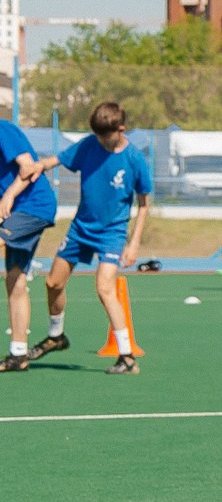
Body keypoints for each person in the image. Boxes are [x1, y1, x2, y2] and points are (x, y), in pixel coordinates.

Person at [28, 101, 150, 375]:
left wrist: (134, 243)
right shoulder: (89, 145)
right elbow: (57, 159)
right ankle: (56, 336)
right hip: (80, 229)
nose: (100, 141)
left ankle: (127, 356)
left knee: (105, 288)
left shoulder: (134, 159)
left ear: (121, 129)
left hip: (112, 233)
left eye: (105, 136)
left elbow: (144, 204)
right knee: (53, 282)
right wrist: (37, 166)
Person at [0, 116, 58, 370]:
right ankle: (18, 354)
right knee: (15, 278)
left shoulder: (3, 130)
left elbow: (28, 167)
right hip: (16, 213)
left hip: (33, 207)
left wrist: (9, 196)